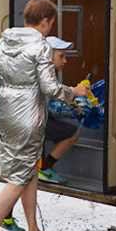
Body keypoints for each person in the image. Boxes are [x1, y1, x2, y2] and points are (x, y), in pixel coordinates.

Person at [0, 0, 89, 231]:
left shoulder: (5, 40)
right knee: (19, 176)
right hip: (28, 115)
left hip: (5, 113)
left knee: (27, 173)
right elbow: (49, 88)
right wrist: (74, 92)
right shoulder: (40, 46)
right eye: (51, 24)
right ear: (45, 21)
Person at [37, 36, 82, 184]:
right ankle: (44, 168)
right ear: (49, 57)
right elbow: (53, 103)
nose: (65, 61)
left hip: (33, 118)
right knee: (73, 133)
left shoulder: (39, 70)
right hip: (36, 120)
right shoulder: (46, 75)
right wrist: (74, 96)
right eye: (61, 56)